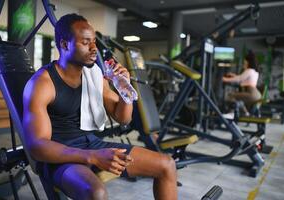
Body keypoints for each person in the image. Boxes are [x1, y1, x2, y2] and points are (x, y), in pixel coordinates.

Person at [22, 13, 177, 200]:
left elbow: (123, 118)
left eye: (94, 41)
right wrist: (92, 156)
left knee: (166, 164)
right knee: (97, 193)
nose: (94, 48)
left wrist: (123, 87)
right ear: (64, 45)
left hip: (91, 144)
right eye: (86, 42)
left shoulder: (94, 76)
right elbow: (37, 146)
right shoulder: (42, 84)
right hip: (59, 156)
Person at [222, 50, 262, 116]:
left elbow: (239, 79)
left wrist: (225, 79)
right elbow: (243, 78)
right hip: (256, 94)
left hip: (251, 93)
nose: (244, 64)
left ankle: (231, 114)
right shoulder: (254, 71)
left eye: (244, 62)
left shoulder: (249, 70)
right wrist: (233, 75)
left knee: (231, 95)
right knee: (239, 98)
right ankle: (245, 113)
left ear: (248, 62)